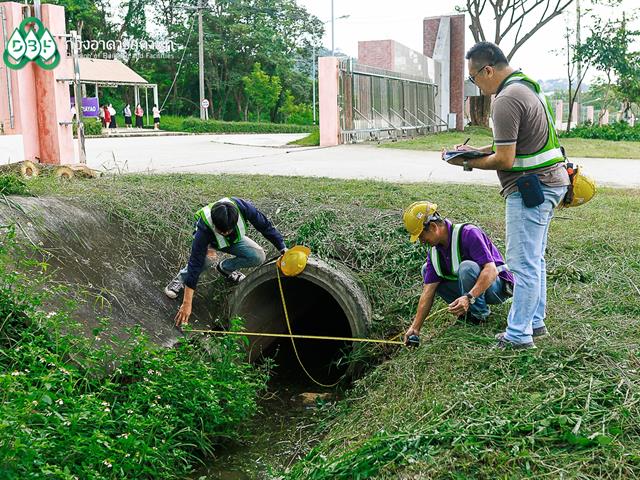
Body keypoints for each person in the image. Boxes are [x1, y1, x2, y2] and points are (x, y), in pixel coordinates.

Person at [444, 42, 569, 349]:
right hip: (550, 183)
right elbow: (513, 145)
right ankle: (535, 322)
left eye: (474, 77)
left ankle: (518, 336)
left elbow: (505, 159)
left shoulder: (506, 99)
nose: (477, 84)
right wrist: (476, 151)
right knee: (534, 260)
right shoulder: (526, 86)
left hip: (530, 189)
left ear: (488, 70)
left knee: (522, 264)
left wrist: (467, 162)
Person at [402, 201, 514, 345]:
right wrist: (415, 328)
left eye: (421, 236)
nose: (422, 241)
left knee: (467, 267)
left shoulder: (468, 233)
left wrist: (468, 297)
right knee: (427, 270)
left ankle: (478, 317)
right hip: (473, 292)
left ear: (433, 227)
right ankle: (467, 314)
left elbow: (491, 270)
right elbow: (428, 291)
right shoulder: (435, 251)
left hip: (497, 288)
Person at [167, 197, 287, 327]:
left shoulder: (245, 208)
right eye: (221, 231)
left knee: (258, 256)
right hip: (209, 242)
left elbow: (265, 226)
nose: (224, 233)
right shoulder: (204, 228)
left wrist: (283, 248)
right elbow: (194, 265)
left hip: (234, 240)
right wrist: (186, 304)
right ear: (214, 224)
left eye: (227, 230)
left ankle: (226, 268)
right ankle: (180, 279)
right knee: (205, 261)